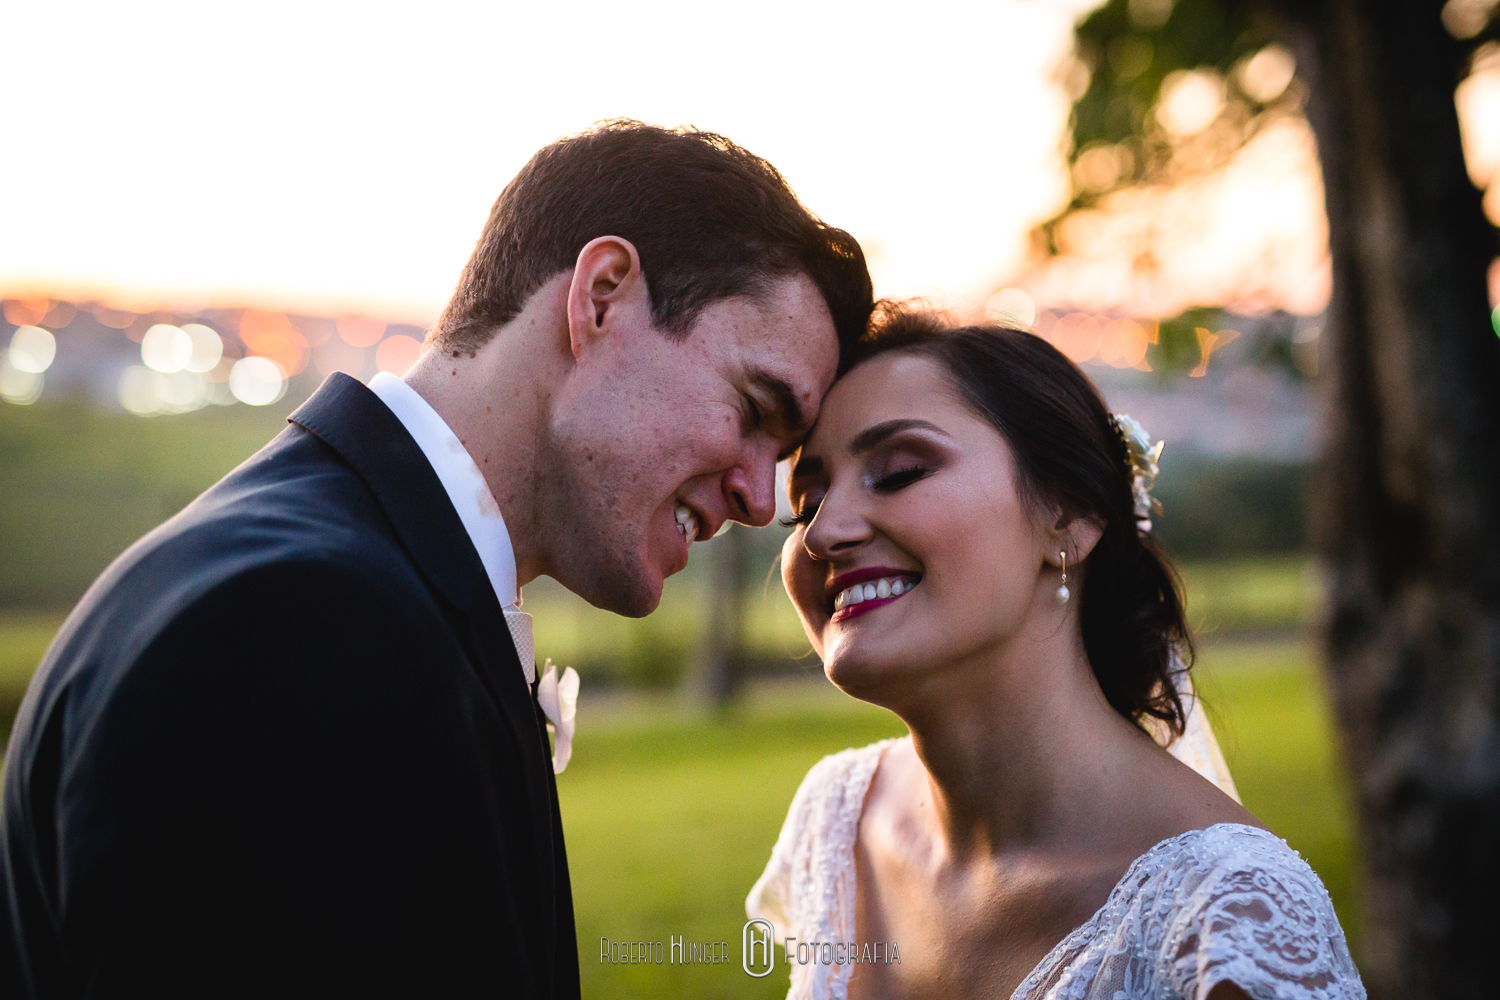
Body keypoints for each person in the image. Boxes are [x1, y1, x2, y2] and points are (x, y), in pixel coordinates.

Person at [0, 121, 874, 998]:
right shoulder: (300, 629)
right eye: (755, 410)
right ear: (602, 298)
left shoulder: (347, 583)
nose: (764, 500)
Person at [748, 308, 1364, 999]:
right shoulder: (838, 820)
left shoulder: (1228, 921)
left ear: (1068, 518)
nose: (825, 531)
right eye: (804, 503)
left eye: (898, 472)